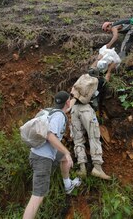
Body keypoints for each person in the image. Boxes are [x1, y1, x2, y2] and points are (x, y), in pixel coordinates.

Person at [23, 91, 81, 219]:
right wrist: (66, 151)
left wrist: (76, 96)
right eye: (69, 100)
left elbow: (68, 105)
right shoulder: (59, 117)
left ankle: (68, 185)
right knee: (38, 196)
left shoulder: (51, 111)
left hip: (41, 152)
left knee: (65, 158)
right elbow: (50, 135)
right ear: (66, 102)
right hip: (42, 159)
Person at [70, 68, 111, 180]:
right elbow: (106, 80)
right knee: (94, 137)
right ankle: (97, 168)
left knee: (78, 139)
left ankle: (82, 168)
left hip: (74, 110)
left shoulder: (82, 79)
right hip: (87, 110)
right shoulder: (99, 81)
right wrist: (110, 70)